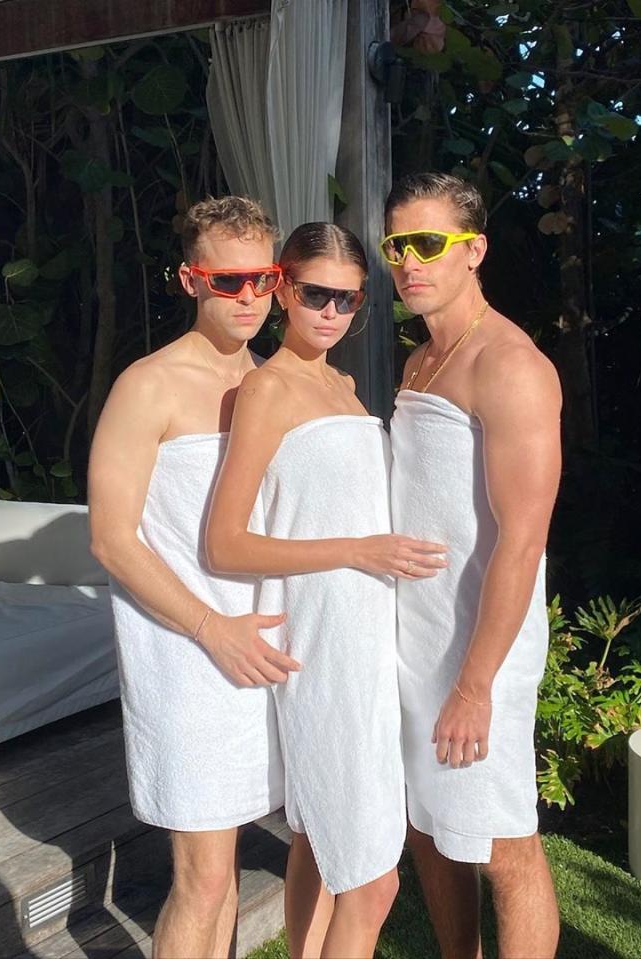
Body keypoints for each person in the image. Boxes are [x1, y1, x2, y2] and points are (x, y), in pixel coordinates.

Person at [204, 221, 447, 959]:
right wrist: (359, 549)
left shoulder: (342, 384)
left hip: (372, 638)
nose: (331, 314)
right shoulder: (266, 390)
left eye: (348, 300)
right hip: (322, 645)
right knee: (374, 883)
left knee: (317, 844)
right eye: (316, 294)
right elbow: (225, 542)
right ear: (281, 288)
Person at [88, 196, 310, 959]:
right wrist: (211, 628)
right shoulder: (146, 385)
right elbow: (113, 540)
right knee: (206, 878)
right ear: (190, 280)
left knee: (231, 875)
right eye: (228, 281)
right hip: (187, 656)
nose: (248, 296)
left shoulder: (278, 382)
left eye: (264, 278)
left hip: (265, 653)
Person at [384, 173, 562, 959]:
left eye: (428, 244)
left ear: (474, 250)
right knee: (427, 824)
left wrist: (475, 683)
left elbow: (522, 541)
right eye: (398, 245)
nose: (408, 262)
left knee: (503, 842)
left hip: (479, 648)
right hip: (415, 634)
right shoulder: (421, 360)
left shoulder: (510, 365)